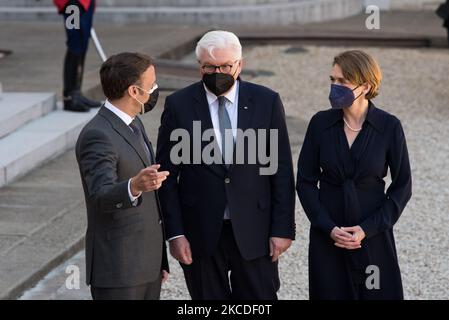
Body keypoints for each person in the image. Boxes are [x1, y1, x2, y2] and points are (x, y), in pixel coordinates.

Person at [156, 30, 296, 300]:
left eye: (225, 66)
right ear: (200, 67)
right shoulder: (178, 105)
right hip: (200, 232)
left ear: (240, 64)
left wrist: (282, 229)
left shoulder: (266, 101)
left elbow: (280, 170)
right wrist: (175, 234)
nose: (217, 71)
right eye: (209, 66)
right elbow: (167, 177)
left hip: (256, 230)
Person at [296, 50, 412, 300]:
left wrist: (367, 228)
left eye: (342, 81)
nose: (334, 86)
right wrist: (327, 227)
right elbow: (305, 181)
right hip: (328, 237)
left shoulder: (389, 127)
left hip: (373, 236)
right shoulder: (320, 124)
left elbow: (402, 186)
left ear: (366, 85)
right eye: (332, 80)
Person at [75, 52, 169, 300]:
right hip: (119, 269)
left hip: (146, 265)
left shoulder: (133, 123)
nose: (155, 91)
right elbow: (100, 196)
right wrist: (134, 186)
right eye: (151, 86)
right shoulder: (98, 135)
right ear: (134, 92)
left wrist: (159, 260)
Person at [53, 0, 102, 111]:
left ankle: (77, 93)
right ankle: (69, 97)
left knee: (82, 44)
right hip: (72, 4)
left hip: (86, 3)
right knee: (75, 44)